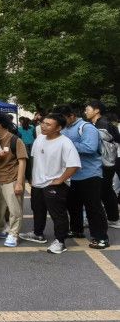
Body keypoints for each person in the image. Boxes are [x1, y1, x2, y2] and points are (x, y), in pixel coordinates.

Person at [20, 113, 80, 254]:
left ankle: (60, 241)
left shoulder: (65, 142)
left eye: (48, 124)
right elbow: (34, 158)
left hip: (54, 185)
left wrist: (60, 180)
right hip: (38, 183)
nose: (43, 126)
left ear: (58, 128)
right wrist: (31, 177)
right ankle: (37, 234)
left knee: (57, 214)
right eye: (43, 123)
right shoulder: (39, 138)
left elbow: (74, 165)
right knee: (38, 210)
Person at [56, 104, 109, 249]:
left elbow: (90, 148)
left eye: (63, 119)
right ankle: (77, 230)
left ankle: (101, 237)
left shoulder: (86, 127)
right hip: (71, 175)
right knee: (73, 205)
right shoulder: (65, 128)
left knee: (93, 207)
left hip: (90, 174)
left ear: (72, 116)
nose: (61, 123)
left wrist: (67, 144)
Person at [0, 114, 28, 247]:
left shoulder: (15, 140)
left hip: (12, 179)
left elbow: (22, 161)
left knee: (14, 209)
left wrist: (19, 183)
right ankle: (0, 228)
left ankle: (13, 234)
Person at [85, 100, 119, 229]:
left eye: (88, 109)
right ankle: (113, 218)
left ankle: (108, 219)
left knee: (101, 191)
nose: (85, 112)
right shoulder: (98, 124)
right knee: (106, 191)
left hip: (104, 163)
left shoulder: (102, 125)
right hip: (106, 162)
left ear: (97, 110)